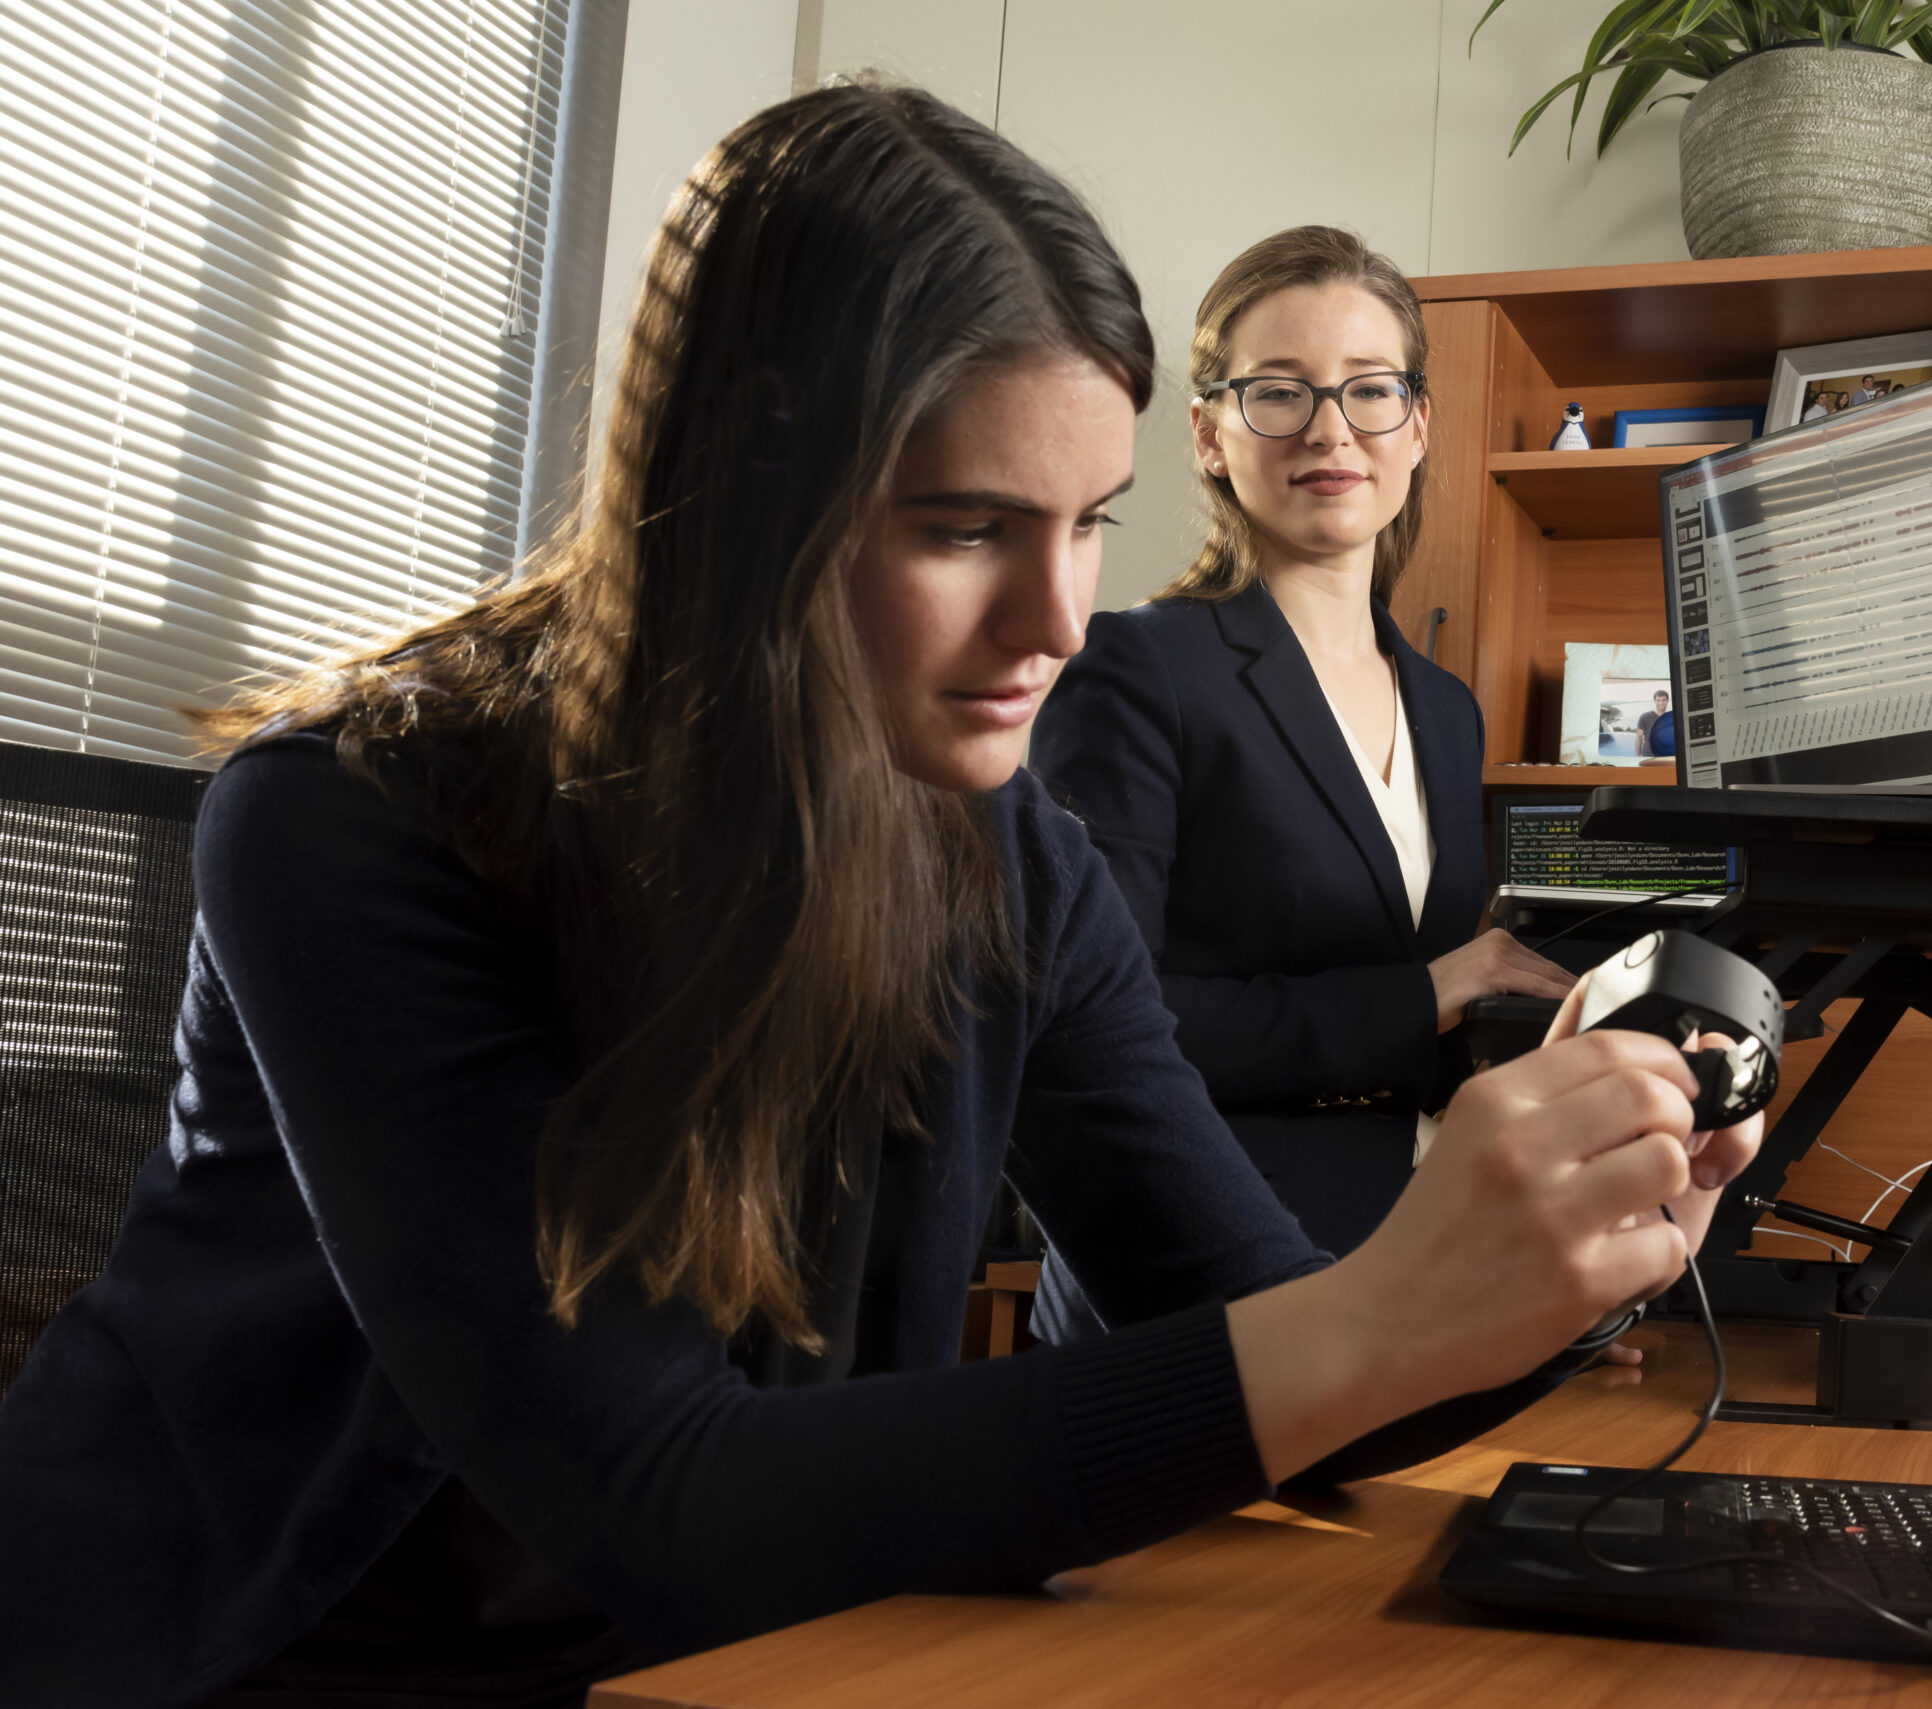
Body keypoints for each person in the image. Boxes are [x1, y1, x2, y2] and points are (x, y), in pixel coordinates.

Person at [0, 86, 1760, 1706]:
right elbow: (656, 1492)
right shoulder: (354, 819)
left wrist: (1558, 1255)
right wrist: (1371, 1321)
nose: (1059, 620)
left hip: (760, 1632)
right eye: (966, 527)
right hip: (290, 1652)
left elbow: (1248, 1309)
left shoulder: (1010, 857)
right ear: (735, 503)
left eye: (1087, 522)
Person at [1028, 226, 1575, 1269]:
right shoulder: (1138, 668)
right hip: (1210, 1253)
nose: (1330, 432)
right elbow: (1092, 1023)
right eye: (1279, 392)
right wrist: (1424, 993)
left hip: (1436, 1239)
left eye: (1368, 390)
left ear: (1416, 426)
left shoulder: (1448, 710)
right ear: (1206, 432)